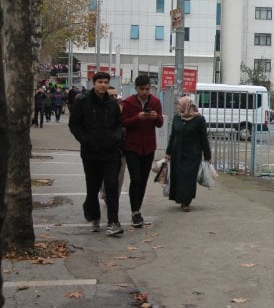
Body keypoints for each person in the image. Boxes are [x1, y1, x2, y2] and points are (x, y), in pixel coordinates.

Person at [68, 72, 124, 236]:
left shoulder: (112, 104)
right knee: (92, 188)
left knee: (112, 186)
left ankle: (113, 221)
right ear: (94, 83)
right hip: (91, 153)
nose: (103, 85)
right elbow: (74, 124)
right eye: (100, 82)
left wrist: (116, 137)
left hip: (111, 153)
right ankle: (94, 216)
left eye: (106, 82)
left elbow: (119, 125)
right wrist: (84, 140)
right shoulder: (83, 102)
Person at [121, 76, 163, 227]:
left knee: (143, 180)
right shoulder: (128, 102)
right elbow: (124, 123)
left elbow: (160, 123)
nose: (145, 92)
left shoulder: (156, 102)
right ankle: (135, 211)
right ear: (136, 88)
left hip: (149, 147)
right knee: (136, 178)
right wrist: (137, 118)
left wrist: (155, 116)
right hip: (132, 147)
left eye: (147, 89)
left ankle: (137, 208)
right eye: (142, 89)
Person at [165, 96, 211, 212]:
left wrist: (207, 155)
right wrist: (168, 152)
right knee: (179, 176)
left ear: (187, 106)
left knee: (188, 178)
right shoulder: (177, 118)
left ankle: (186, 201)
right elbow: (173, 136)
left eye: (180, 105)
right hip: (177, 152)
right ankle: (180, 199)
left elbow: (203, 138)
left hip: (192, 154)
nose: (178, 107)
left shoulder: (199, 120)